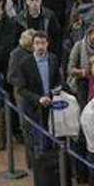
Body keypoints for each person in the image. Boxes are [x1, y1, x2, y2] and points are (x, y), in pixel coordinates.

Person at [11, 31, 62, 161]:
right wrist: (38, 99)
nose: (40, 46)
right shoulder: (25, 63)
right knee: (35, 139)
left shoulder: (53, 59)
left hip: (50, 104)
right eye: (37, 43)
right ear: (32, 45)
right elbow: (21, 89)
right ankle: (35, 166)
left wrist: (59, 91)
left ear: (47, 44)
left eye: (43, 43)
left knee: (49, 137)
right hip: (33, 107)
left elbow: (58, 80)